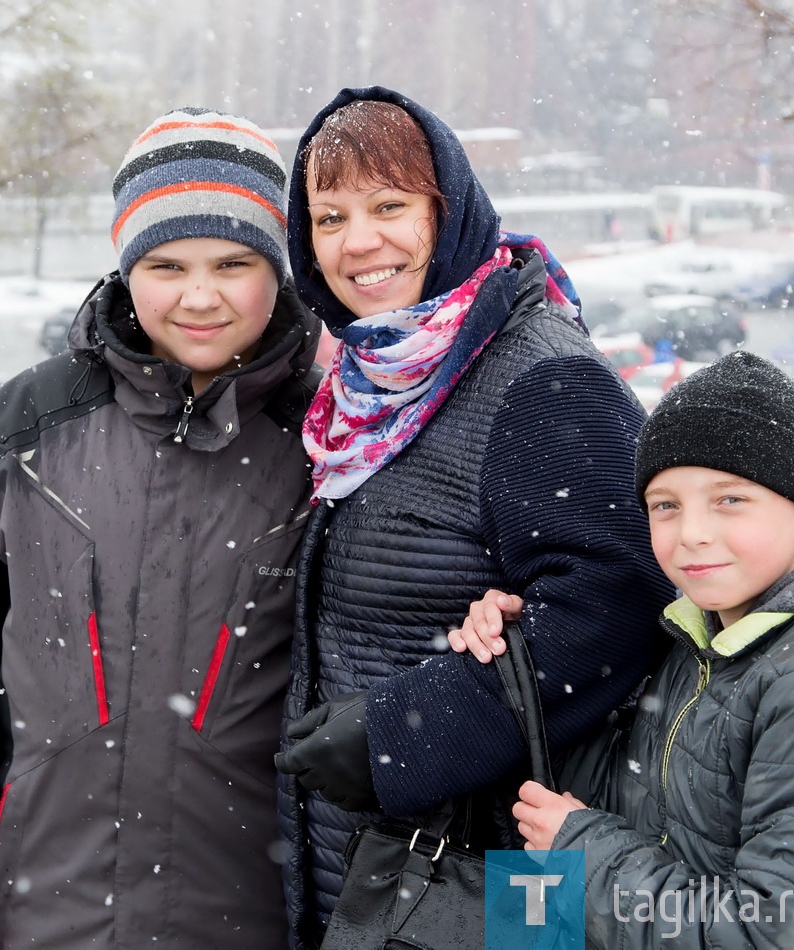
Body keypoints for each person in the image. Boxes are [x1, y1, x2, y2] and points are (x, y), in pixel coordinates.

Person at [273, 85, 675, 948]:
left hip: (486, 872)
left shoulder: (537, 377)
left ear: (449, 213)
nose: (359, 242)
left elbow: (620, 602)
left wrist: (401, 737)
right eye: (329, 215)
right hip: (374, 872)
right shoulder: (367, 388)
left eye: (390, 206)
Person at [0, 108, 320, 949]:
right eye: (166, 264)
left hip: (251, 917)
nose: (200, 296)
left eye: (234, 263)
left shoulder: (333, 441)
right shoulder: (20, 429)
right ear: (127, 268)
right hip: (41, 915)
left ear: (279, 268)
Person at [459, 351, 794, 946]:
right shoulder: (689, 639)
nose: (691, 533)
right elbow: (597, 804)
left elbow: (780, 932)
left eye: (729, 499)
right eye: (666, 506)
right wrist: (518, 647)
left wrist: (577, 848)